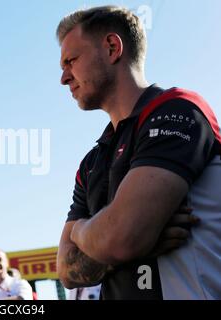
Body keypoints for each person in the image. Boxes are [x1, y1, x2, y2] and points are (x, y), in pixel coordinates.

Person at [56, 6, 221, 299]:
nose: (64, 77)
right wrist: (122, 242)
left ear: (111, 48)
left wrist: (82, 231)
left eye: (71, 61)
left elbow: (122, 237)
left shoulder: (178, 110)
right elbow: (66, 271)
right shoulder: (92, 161)